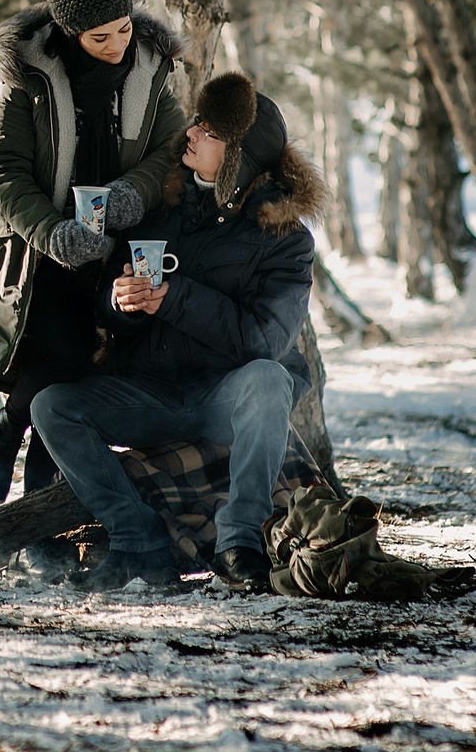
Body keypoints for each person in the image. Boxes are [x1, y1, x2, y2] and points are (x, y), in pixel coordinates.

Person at [27, 71, 322, 592]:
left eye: (209, 130)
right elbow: (110, 303)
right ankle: (137, 540)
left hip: (223, 397)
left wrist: (175, 297)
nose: (192, 131)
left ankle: (240, 541)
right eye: (197, 121)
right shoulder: (163, 208)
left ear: (239, 155)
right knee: (52, 406)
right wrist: (121, 303)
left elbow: (264, 342)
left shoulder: (285, 239)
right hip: (152, 392)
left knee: (269, 379)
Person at [0, 0, 189, 520]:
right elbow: (0, 171)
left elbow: (168, 149)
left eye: (124, 30)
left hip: (115, 252)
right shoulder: (23, 81)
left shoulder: (152, 72)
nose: (116, 46)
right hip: (38, 254)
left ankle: (34, 512)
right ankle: (6, 433)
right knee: (56, 365)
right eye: (99, 38)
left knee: (74, 381)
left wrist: (135, 193)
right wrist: (52, 233)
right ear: (68, 32)